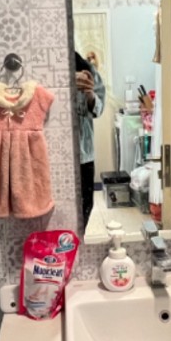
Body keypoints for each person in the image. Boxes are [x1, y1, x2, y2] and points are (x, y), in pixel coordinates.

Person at [74, 51, 105, 223]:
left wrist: (90, 93)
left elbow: (98, 110)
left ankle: (81, 235)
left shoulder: (89, 71)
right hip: (56, 154)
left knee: (86, 204)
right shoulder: (52, 74)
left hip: (84, 153)